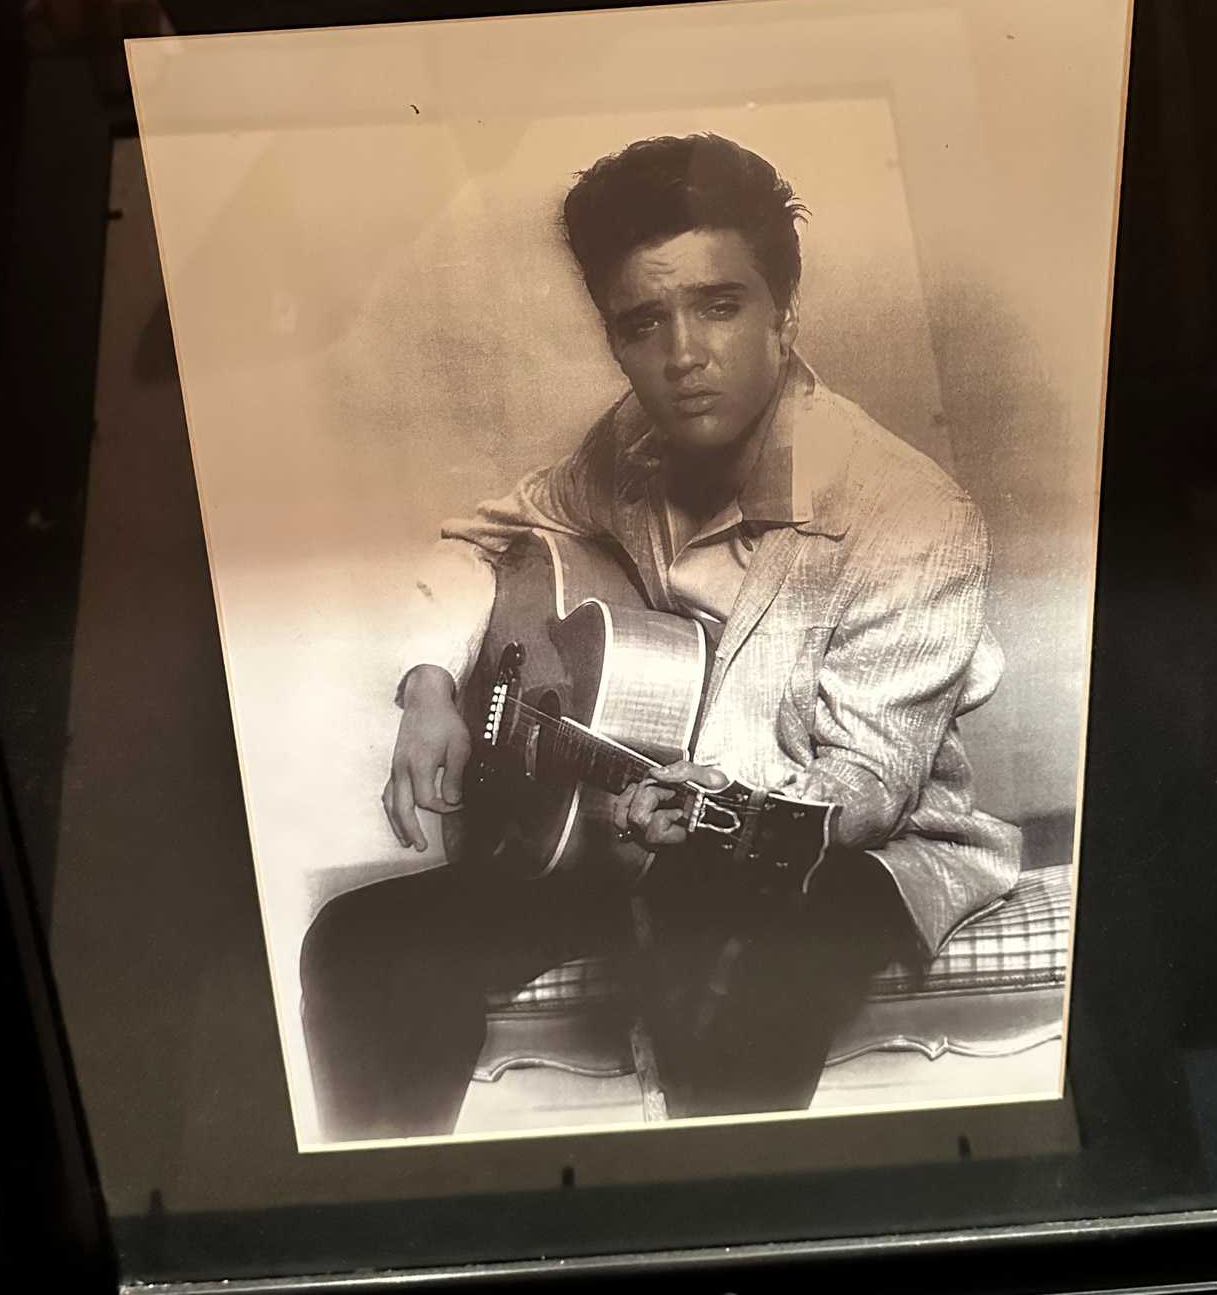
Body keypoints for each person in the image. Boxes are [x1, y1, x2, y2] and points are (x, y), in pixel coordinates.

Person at [300, 133, 1020, 1141]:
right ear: (613, 336)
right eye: (642, 324)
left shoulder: (909, 511)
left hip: (834, 848)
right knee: (356, 941)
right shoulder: (629, 447)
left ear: (783, 308)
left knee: (725, 939)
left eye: (720, 306)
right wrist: (427, 684)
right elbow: (484, 534)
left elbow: (866, 782)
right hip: (628, 827)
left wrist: (709, 807)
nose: (683, 357)